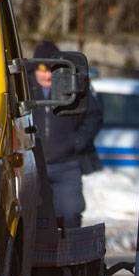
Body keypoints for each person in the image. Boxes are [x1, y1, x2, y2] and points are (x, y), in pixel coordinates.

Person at [29, 41, 103, 228]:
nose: (46, 75)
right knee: (34, 217)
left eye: (51, 70)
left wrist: (77, 142)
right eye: (42, 69)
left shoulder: (73, 86)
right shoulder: (24, 88)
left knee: (70, 212)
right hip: (32, 165)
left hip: (67, 164)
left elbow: (94, 115)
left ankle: (71, 253)